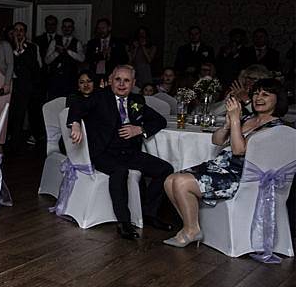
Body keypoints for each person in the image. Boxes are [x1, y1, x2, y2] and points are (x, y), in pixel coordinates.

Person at [162, 78, 288, 247]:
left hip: (241, 176)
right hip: (220, 167)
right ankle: (192, 227)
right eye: (256, 93)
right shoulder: (248, 118)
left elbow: (239, 151)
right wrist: (229, 125)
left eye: (265, 94)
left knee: (181, 182)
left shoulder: (275, 128)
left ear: (277, 99)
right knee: (170, 180)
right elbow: (217, 140)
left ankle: (191, 231)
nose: (259, 98)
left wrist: (236, 119)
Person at [67, 65, 174, 239]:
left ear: (133, 83)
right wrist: (76, 124)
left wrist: (140, 129)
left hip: (129, 152)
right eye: (118, 80)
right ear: (111, 80)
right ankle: (124, 223)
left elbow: (159, 120)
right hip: (103, 152)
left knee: (165, 169)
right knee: (119, 171)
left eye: (126, 80)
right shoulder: (99, 97)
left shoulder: (137, 100)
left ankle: (149, 213)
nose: (122, 84)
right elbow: (76, 107)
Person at [8, 22, 44, 152]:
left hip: (28, 85)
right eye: (16, 30)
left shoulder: (33, 47)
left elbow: (37, 66)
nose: (19, 33)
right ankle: (12, 140)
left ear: (25, 32)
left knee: (29, 113)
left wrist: (22, 50)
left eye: (21, 30)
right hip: (13, 85)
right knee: (14, 114)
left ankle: (32, 137)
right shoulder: (7, 46)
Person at [45, 17, 85, 99]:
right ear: (62, 28)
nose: (67, 29)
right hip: (56, 80)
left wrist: (68, 51)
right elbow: (47, 61)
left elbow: (82, 58)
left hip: (71, 80)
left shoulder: (77, 42)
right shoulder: (54, 41)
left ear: (72, 28)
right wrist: (57, 53)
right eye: (65, 26)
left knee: (70, 102)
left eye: (69, 26)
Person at [85, 18, 128, 83]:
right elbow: (88, 58)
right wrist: (101, 55)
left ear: (109, 28)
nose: (101, 31)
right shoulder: (92, 43)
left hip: (113, 75)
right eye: (99, 28)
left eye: (103, 28)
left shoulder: (118, 43)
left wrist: (111, 55)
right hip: (95, 75)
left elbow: (124, 59)